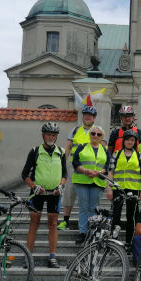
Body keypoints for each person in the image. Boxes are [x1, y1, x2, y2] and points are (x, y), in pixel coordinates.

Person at [22, 122, 66, 268]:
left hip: (54, 193)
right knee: (34, 224)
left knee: (53, 224)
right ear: (43, 135)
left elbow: (65, 173)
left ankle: (52, 257)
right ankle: (28, 257)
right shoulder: (34, 151)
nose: (51, 137)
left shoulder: (61, 152)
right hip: (37, 194)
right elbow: (24, 175)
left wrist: (61, 185)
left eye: (53, 135)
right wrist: (34, 186)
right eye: (48, 134)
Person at [58, 105, 99, 231]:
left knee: (89, 198)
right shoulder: (75, 130)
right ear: (83, 116)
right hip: (73, 168)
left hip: (90, 169)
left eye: (90, 115)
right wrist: (63, 165)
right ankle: (65, 221)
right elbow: (68, 147)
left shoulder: (97, 131)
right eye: (85, 114)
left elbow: (102, 149)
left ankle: (89, 223)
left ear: (94, 118)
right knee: (69, 193)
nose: (87, 117)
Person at [107, 130, 141, 246]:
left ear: (135, 142)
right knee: (116, 214)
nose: (129, 142)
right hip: (118, 189)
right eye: (127, 140)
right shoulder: (117, 154)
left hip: (134, 189)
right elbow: (111, 172)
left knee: (132, 216)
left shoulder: (139, 156)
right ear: (123, 141)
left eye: (132, 140)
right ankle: (113, 242)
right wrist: (109, 189)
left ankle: (129, 242)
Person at [72, 125, 110, 244]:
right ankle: (82, 232)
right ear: (89, 135)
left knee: (93, 207)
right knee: (83, 207)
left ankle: (92, 232)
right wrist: (85, 171)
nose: (95, 136)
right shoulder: (82, 147)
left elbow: (108, 165)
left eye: (98, 134)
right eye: (93, 133)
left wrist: (100, 172)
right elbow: (75, 161)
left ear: (102, 137)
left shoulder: (105, 150)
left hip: (97, 181)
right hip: (82, 180)